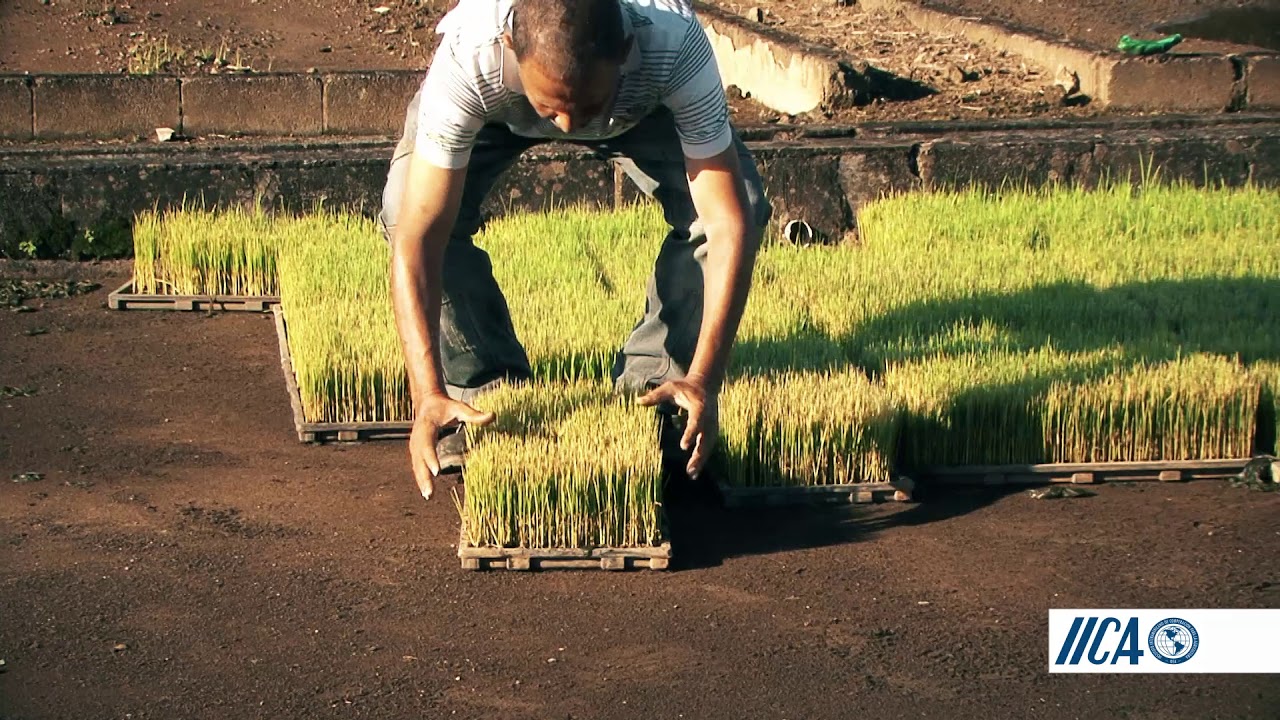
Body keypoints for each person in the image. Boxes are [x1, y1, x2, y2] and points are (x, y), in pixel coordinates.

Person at [380, 0, 772, 501]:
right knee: (404, 209)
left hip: (637, 110)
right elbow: (420, 235)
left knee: (747, 204)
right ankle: (480, 393)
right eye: (552, 109)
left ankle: (655, 387)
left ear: (626, 52)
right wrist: (425, 391)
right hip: (498, 109)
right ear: (510, 50)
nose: (567, 127)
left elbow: (727, 223)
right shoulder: (470, 56)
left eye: (583, 110)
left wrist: (705, 378)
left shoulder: (673, 46)